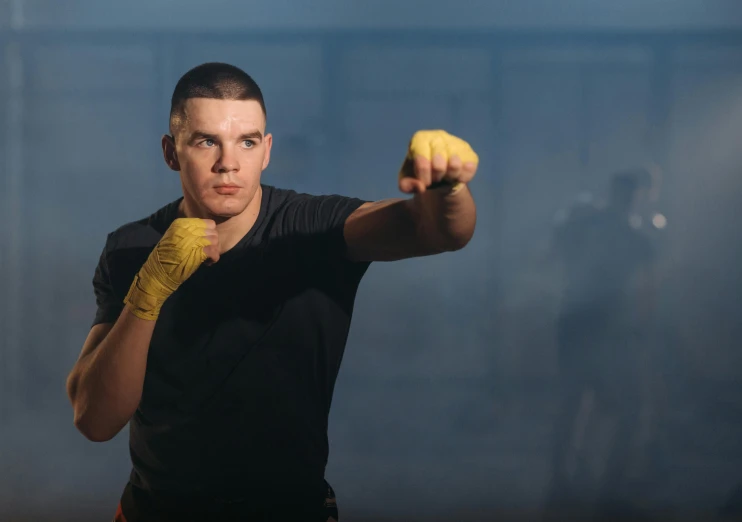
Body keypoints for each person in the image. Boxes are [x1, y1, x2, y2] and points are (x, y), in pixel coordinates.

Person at [65, 62, 479, 522]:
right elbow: (94, 419)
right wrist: (149, 292)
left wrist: (447, 190)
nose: (229, 162)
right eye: (207, 141)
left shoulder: (312, 230)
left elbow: (434, 231)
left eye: (246, 141)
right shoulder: (131, 247)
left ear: (266, 151)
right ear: (171, 151)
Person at [545, 169, 657, 515]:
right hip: (600, 326)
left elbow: (554, 252)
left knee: (576, 404)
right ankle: (604, 487)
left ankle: (564, 483)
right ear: (634, 197)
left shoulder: (586, 226)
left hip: (578, 323)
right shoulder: (630, 236)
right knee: (626, 406)